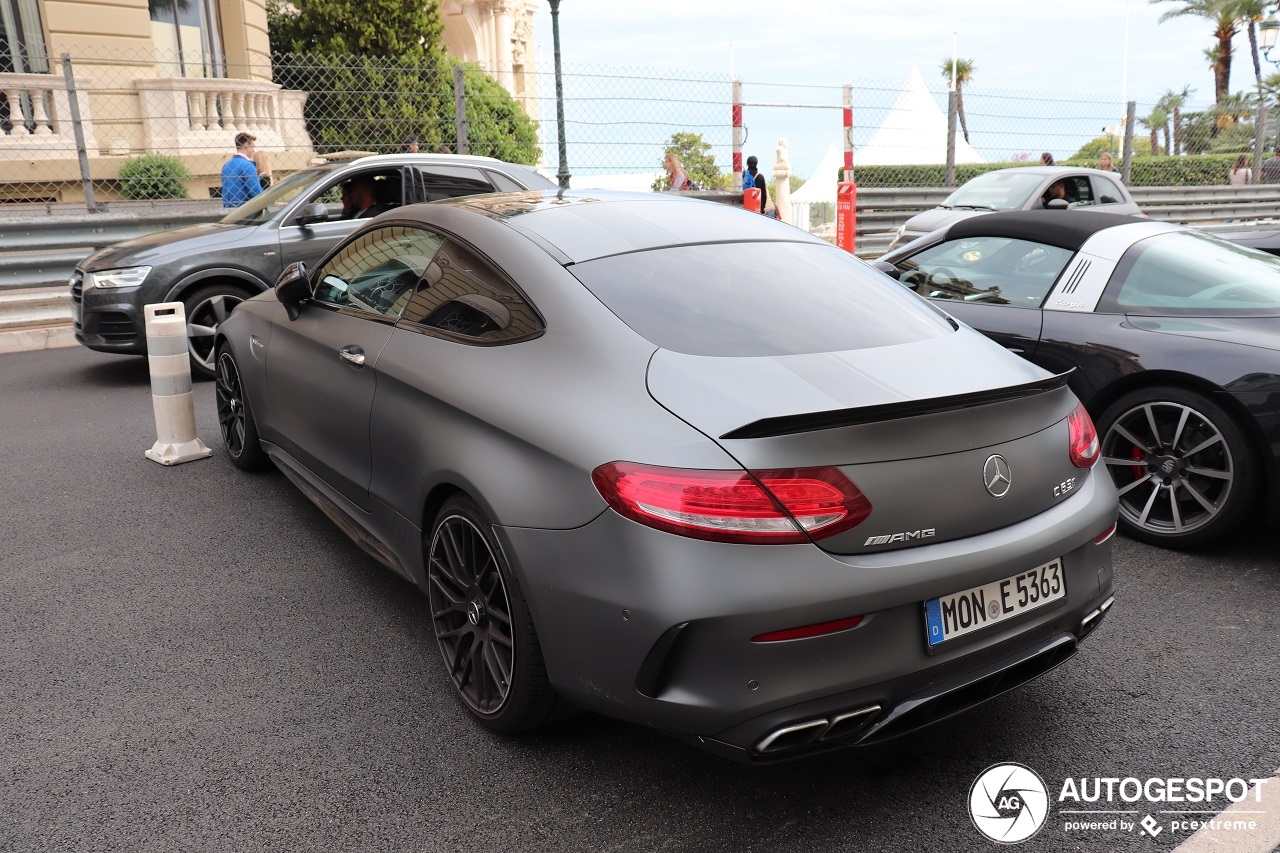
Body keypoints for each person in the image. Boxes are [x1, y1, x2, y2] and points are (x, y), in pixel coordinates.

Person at [220, 132, 262, 208]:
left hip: (228, 209)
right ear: (246, 145)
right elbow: (256, 191)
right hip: (244, 209)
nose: (253, 150)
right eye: (252, 146)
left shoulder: (226, 166)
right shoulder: (248, 165)